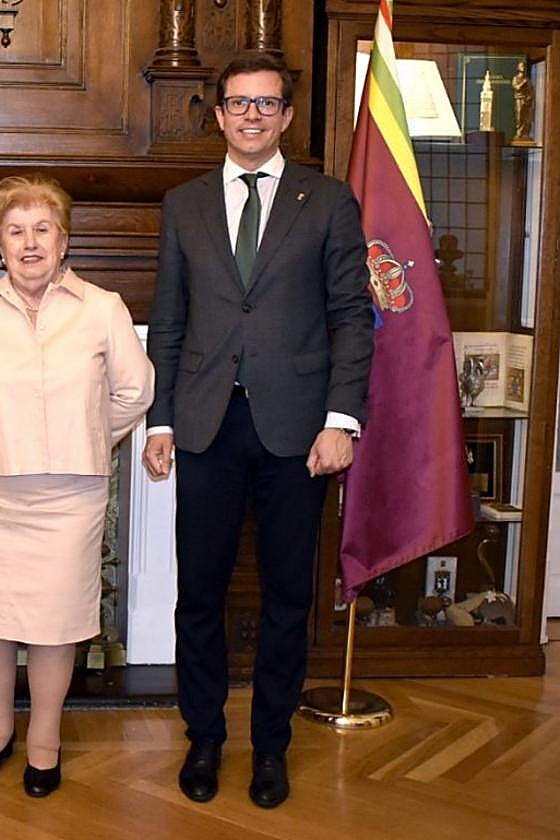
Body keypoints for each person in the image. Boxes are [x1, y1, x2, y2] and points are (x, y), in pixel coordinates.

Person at [142, 51, 373, 810]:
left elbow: (349, 318)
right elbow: (170, 321)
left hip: (298, 431)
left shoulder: (330, 201)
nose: (251, 115)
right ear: (218, 115)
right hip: (206, 424)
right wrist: (162, 417)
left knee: (284, 599)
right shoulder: (184, 204)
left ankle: (270, 746)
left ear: (284, 116)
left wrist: (343, 420)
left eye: (266, 104)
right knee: (198, 594)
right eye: (238, 103)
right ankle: (203, 736)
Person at [0, 174, 153, 798]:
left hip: (70, 499)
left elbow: (137, 390)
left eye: (42, 230)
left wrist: (87, 432)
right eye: (15, 231)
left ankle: (46, 739)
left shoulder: (103, 308)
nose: (30, 243)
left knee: (57, 623)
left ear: (63, 239)